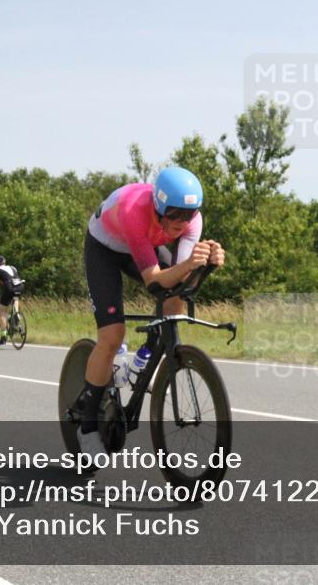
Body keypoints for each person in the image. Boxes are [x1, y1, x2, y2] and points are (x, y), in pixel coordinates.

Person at [79, 166, 225, 456]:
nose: (182, 223)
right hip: (105, 247)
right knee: (111, 335)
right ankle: (87, 428)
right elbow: (154, 282)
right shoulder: (135, 211)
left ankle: (147, 353)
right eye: (174, 215)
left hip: (141, 244)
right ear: (158, 206)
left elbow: (180, 280)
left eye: (189, 214)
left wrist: (207, 265)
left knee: (175, 298)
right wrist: (188, 266)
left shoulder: (191, 221)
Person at [0, 255, 24, 346]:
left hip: (10, 288)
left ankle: (3, 336)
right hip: (20, 286)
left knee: (2, 310)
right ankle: (16, 315)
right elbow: (13, 278)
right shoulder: (12, 267)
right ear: (4, 262)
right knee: (15, 298)